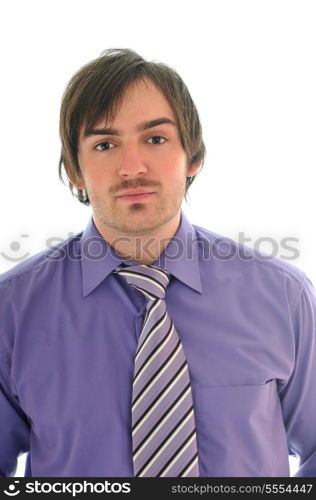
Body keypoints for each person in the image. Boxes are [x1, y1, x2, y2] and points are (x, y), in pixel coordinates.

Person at [0, 48, 315, 478]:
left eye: (155, 139)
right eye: (105, 144)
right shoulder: (12, 311)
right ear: (75, 170)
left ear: (194, 156)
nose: (132, 167)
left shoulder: (284, 296)